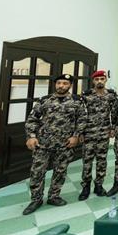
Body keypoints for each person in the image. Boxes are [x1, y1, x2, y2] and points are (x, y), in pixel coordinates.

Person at [23, 74, 85, 215]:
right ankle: (36, 199)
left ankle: (54, 196)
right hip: (43, 144)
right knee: (37, 172)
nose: (61, 86)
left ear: (70, 85)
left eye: (65, 83)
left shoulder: (77, 101)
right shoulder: (45, 100)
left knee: (60, 171)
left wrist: (75, 136)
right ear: (55, 84)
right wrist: (31, 136)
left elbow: (82, 120)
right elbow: (32, 119)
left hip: (65, 144)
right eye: (59, 83)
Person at [78, 70, 118, 200]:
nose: (99, 81)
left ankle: (99, 185)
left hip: (104, 133)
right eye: (97, 79)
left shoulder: (111, 95)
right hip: (89, 133)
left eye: (102, 79)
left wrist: (113, 128)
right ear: (93, 81)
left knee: (101, 160)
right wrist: (80, 132)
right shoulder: (86, 95)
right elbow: (81, 114)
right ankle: (85, 187)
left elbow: (114, 112)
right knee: (87, 161)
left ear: (105, 80)